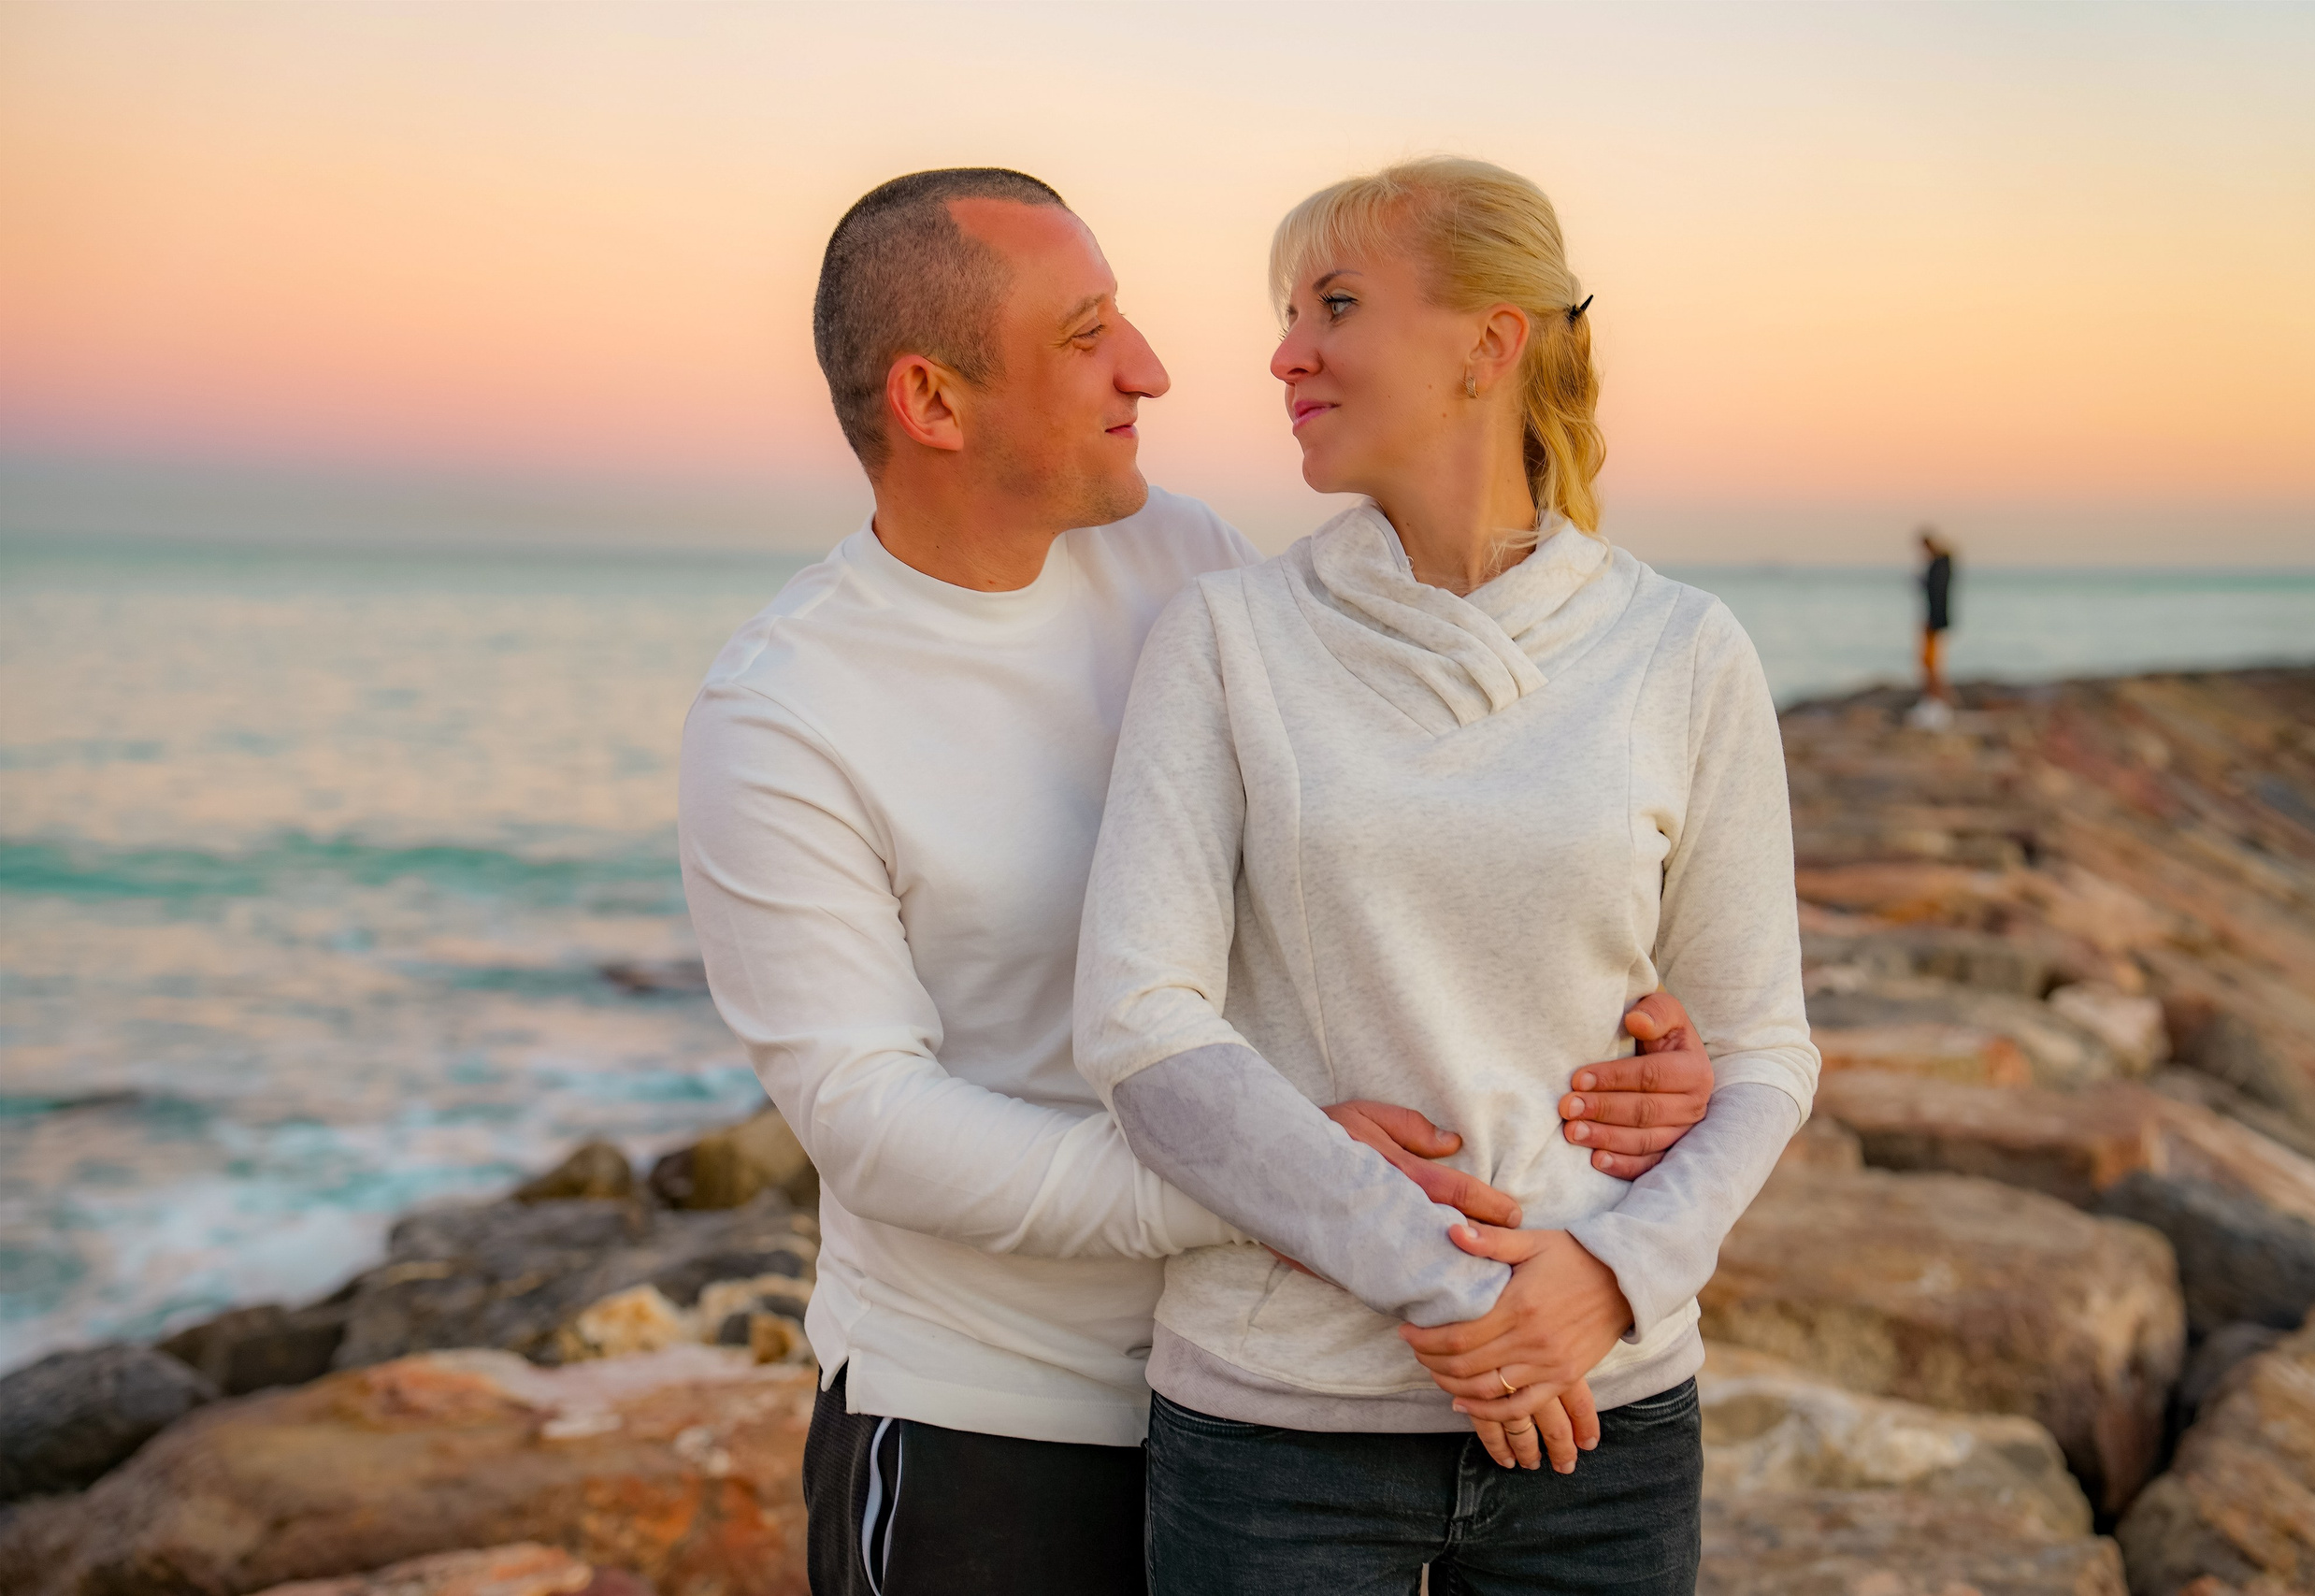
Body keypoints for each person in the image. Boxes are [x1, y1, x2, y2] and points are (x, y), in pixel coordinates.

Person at [677, 168, 1720, 1596]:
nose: (1154, 368)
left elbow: (1400, 863)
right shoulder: (786, 708)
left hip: (1265, 1389)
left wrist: (1643, 1046)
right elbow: (870, 1118)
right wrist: (1270, 1184)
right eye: (1087, 332)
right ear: (932, 401)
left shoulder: (1187, 566)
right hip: (993, 1417)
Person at [1074, 158, 1820, 1594]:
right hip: (1280, 1427)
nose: (1283, 352)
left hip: (1606, 1413)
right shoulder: (1227, 637)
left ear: (1492, 344)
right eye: (1285, 312)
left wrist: (1609, 1280)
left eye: (1336, 304)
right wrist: (1470, 1296)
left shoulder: (1684, 651)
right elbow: (1141, 1026)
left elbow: (1761, 1046)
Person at [1919, 526, 1955, 702]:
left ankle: (1936, 698)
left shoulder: (1939, 564)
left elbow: (1938, 593)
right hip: (1936, 617)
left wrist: (1934, 619)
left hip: (1935, 618)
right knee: (1930, 661)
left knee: (1930, 661)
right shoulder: (1942, 564)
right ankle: (1935, 697)